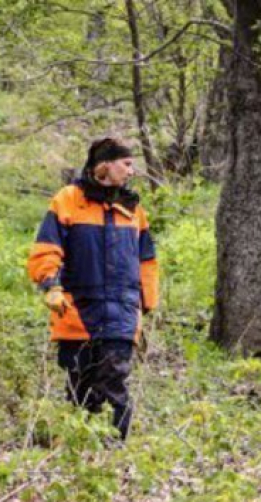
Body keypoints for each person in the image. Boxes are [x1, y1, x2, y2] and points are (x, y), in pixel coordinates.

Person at [27, 137, 159, 441]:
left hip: (122, 312)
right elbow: (47, 248)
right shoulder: (68, 199)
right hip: (76, 311)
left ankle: (114, 451)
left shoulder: (133, 209)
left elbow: (147, 261)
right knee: (81, 387)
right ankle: (81, 449)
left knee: (114, 381)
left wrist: (147, 302)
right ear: (104, 166)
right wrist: (50, 285)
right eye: (126, 164)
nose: (131, 171)